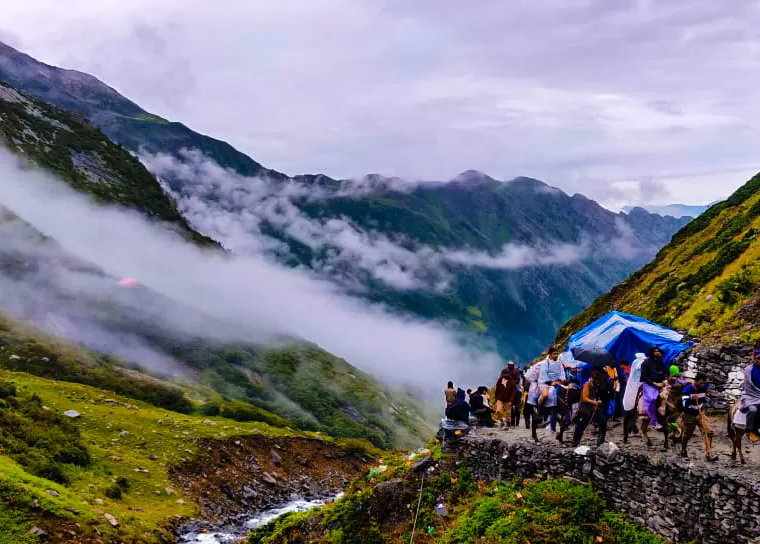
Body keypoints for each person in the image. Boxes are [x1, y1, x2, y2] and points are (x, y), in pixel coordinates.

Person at [680, 372, 716, 461]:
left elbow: (703, 399)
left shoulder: (703, 388)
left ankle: (709, 453)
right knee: (688, 434)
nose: (702, 385)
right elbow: (684, 403)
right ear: (695, 381)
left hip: (700, 414)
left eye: (703, 383)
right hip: (689, 415)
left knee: (708, 432)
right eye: (700, 383)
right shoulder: (687, 390)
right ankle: (683, 450)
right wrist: (690, 398)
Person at [572, 369, 608, 447]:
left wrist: (598, 401)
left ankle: (601, 440)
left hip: (594, 409)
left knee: (603, 421)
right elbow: (585, 398)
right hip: (585, 409)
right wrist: (594, 402)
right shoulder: (586, 385)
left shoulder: (597, 386)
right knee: (581, 426)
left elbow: (597, 396)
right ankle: (575, 442)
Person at [640, 346, 667, 430]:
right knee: (652, 399)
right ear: (652, 352)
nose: (658, 352)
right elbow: (644, 376)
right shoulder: (645, 363)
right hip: (649, 384)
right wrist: (654, 383)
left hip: (661, 383)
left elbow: (663, 373)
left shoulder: (660, 361)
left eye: (658, 351)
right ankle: (653, 421)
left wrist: (665, 380)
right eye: (655, 351)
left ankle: (664, 412)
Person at [740, 346, 760, 442]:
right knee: (753, 410)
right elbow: (748, 387)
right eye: (758, 359)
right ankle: (750, 430)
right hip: (751, 395)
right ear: (754, 359)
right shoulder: (749, 370)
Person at [494, 363, 518, 428]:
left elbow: (514, 392)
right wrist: (496, 397)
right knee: (498, 411)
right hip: (500, 398)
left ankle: (508, 422)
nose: (505, 375)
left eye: (507, 374)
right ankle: (502, 421)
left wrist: (511, 400)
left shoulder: (512, 381)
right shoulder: (500, 380)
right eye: (504, 374)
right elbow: (497, 388)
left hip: (508, 399)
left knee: (508, 412)